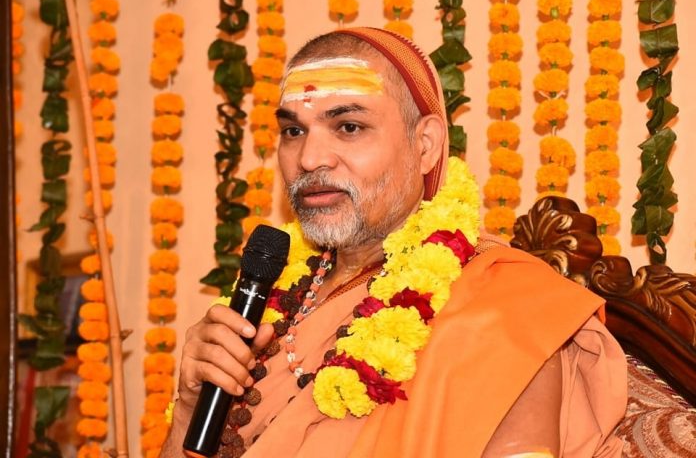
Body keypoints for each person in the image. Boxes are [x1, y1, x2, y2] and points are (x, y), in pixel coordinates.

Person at [161, 27, 627, 457]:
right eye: (293, 130)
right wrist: (188, 405)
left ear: (425, 145)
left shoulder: (506, 310)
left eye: (348, 126)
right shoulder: (278, 293)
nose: (309, 157)